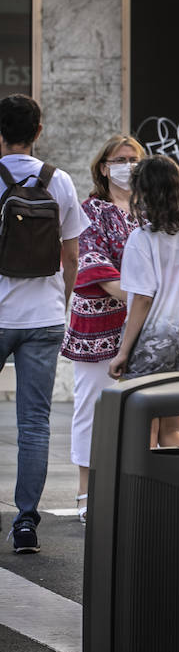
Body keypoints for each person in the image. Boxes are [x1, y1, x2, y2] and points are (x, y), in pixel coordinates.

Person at [0, 94, 88, 554]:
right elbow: (72, 256)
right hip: (45, 318)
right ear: (38, 131)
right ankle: (26, 523)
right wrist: (64, 304)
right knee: (34, 423)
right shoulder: (61, 182)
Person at [108, 155, 179, 451]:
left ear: (144, 193)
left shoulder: (141, 240)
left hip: (152, 345)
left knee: (143, 430)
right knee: (171, 430)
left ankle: (144, 495)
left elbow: (143, 299)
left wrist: (122, 352)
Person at [62, 133, 145, 523]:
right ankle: (85, 493)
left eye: (133, 159)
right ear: (103, 167)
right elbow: (93, 263)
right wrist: (141, 297)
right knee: (92, 407)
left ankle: (129, 490)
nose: (127, 166)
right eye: (120, 159)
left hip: (143, 323)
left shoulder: (150, 211)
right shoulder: (90, 210)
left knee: (140, 410)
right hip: (98, 323)